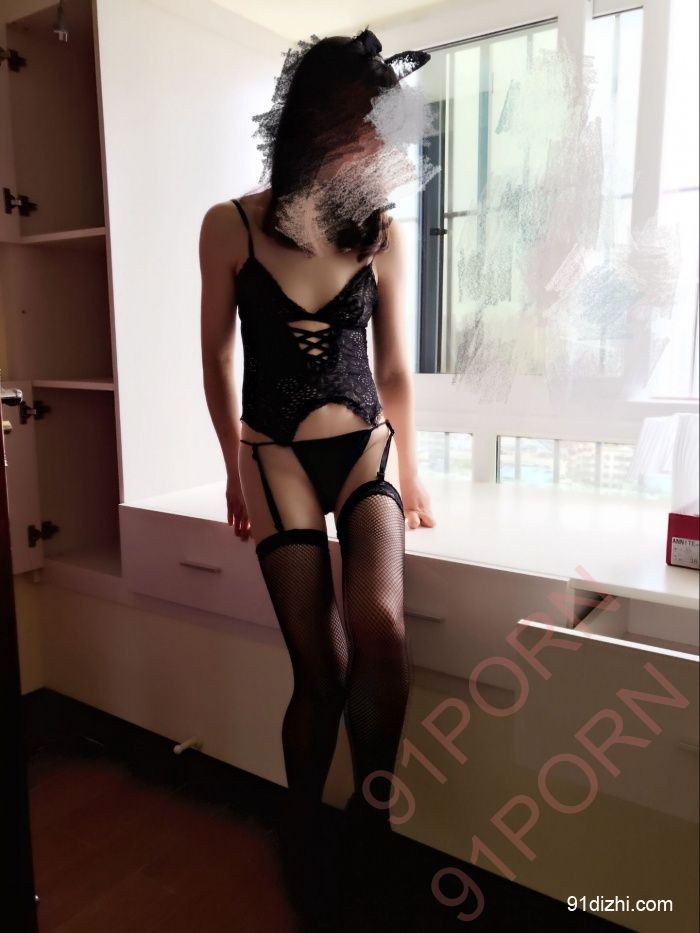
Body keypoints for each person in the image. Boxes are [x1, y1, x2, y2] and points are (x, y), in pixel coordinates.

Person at [200, 27, 436, 925]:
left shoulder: (381, 231)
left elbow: (396, 368)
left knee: (381, 622)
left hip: (364, 446)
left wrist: (415, 475)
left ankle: (372, 823)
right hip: (273, 454)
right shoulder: (229, 223)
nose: (367, 143)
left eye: (376, 127)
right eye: (355, 124)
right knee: (323, 666)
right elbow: (217, 357)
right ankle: (300, 828)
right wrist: (231, 469)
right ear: (309, 122)